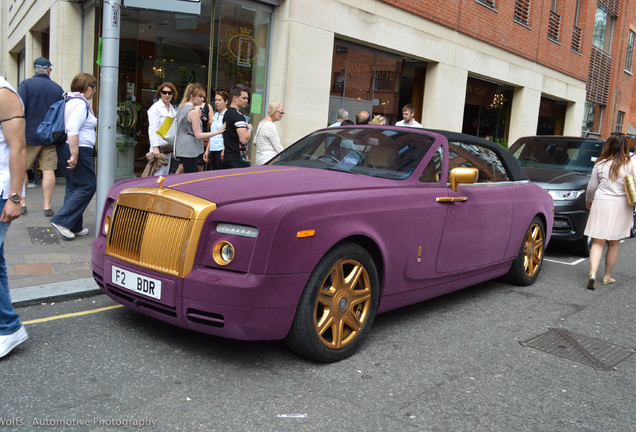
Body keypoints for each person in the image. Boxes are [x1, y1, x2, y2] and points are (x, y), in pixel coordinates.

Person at [584, 133, 636, 290]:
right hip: (622, 205)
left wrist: (588, 200)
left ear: (608, 145)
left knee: (598, 241)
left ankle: (592, 274)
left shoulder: (600, 164)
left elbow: (592, 186)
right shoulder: (631, 163)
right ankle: (606, 277)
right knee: (614, 243)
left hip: (601, 203)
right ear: (624, 147)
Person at [0, 76, 29, 357]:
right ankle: (6, 326)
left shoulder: (4, 95)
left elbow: (18, 148)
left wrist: (14, 197)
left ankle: (9, 328)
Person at [49, 73, 98, 240]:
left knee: (74, 186)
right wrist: (75, 154)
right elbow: (72, 129)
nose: (94, 91)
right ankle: (62, 220)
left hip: (70, 148)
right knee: (88, 185)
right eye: (93, 87)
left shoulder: (71, 100)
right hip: (77, 149)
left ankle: (74, 225)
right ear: (85, 87)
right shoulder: (79, 103)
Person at [17, 57, 64, 217]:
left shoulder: (26, 85)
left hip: (28, 136)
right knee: (48, 170)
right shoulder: (57, 88)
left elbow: (19, 109)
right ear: (48, 70)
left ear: (35, 69)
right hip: (50, 137)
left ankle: (22, 203)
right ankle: (47, 206)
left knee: (22, 169)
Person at [175, 83, 225, 174]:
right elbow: (198, 135)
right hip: (190, 150)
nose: (202, 99)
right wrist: (217, 131)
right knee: (191, 177)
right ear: (191, 96)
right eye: (200, 96)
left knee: (186, 174)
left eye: (203, 97)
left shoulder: (181, 108)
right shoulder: (193, 112)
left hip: (182, 148)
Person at [147, 82, 178, 176]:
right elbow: (152, 128)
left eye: (170, 93)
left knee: (165, 173)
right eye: (164, 92)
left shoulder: (172, 108)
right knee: (157, 174)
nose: (167, 95)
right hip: (159, 147)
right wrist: (155, 147)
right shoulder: (156, 108)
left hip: (167, 147)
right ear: (160, 93)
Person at [222, 84, 253, 169]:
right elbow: (243, 139)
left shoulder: (227, 113)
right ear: (235, 98)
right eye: (244, 98)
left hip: (229, 157)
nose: (246, 101)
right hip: (238, 160)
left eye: (247, 98)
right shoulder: (238, 115)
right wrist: (250, 128)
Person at [203, 90, 229, 170]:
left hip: (221, 148)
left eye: (219, 100)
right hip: (213, 149)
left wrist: (224, 150)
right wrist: (207, 150)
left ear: (226, 102)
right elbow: (212, 133)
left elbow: (228, 135)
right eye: (216, 100)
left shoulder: (227, 115)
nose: (217, 102)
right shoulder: (215, 115)